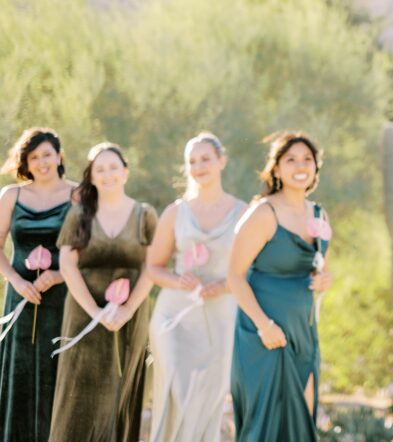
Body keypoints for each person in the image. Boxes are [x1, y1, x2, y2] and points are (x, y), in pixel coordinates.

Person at [227, 132, 332, 442]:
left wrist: (325, 280)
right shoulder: (264, 213)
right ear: (276, 169)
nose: (300, 165)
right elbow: (234, 275)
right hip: (265, 334)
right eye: (291, 160)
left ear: (316, 167)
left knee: (302, 423)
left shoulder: (319, 214)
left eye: (307, 159)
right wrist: (264, 326)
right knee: (266, 426)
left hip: (304, 332)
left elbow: (319, 266)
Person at [50, 142, 158, 442]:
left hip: (130, 318)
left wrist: (127, 311)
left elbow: (152, 267)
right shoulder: (79, 214)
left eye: (113, 167)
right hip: (83, 316)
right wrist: (95, 313)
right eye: (100, 169)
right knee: (78, 396)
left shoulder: (144, 214)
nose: (107, 174)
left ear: (126, 172)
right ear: (92, 176)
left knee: (119, 393)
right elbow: (68, 266)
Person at [147, 132, 245, 442]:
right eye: (192, 161)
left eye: (205, 159)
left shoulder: (244, 213)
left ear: (221, 161)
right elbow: (153, 267)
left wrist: (226, 284)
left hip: (221, 314)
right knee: (176, 384)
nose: (198, 166)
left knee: (210, 395)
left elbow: (253, 270)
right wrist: (179, 280)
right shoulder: (176, 212)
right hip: (175, 314)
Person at [0, 128, 75, 441]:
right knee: (19, 373)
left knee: (55, 375)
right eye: (34, 157)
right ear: (25, 163)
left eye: (47, 154)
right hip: (21, 297)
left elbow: (90, 250)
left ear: (59, 156)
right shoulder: (11, 195)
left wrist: (59, 275)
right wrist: (16, 281)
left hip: (63, 297)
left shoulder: (79, 194)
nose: (42, 162)